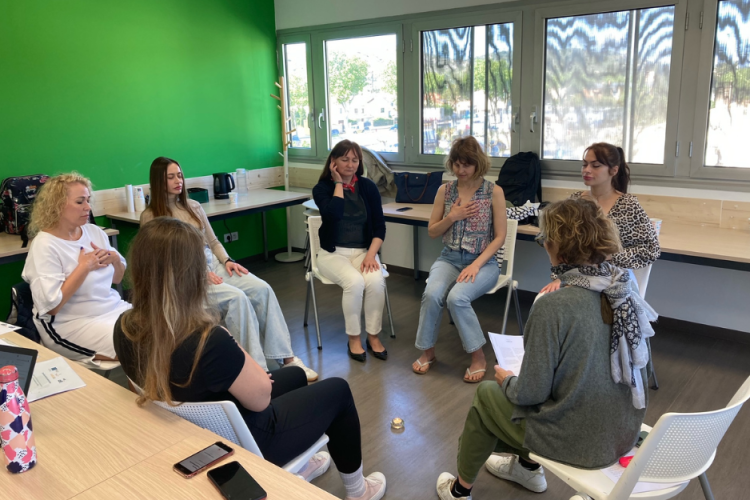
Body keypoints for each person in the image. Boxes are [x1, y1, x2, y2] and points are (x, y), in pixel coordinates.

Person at [114, 217, 386, 500]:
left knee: (295, 374)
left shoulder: (124, 327)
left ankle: (301, 466)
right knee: (338, 391)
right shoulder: (209, 340)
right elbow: (261, 399)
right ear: (191, 275)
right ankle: (359, 491)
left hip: (194, 429)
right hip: (245, 440)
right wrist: (228, 341)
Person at [436, 198, 656, 500]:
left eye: (544, 239)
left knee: (488, 395)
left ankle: (460, 491)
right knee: (539, 392)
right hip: (624, 433)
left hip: (582, 444)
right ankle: (526, 469)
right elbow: (636, 368)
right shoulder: (625, 290)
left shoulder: (553, 305)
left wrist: (507, 381)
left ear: (556, 247)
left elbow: (530, 394)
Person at [142, 157, 317, 381]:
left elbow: (213, 242)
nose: (179, 181)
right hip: (185, 278)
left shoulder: (193, 207)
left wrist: (227, 261)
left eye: (180, 175)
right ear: (158, 181)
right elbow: (159, 262)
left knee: (262, 289)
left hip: (212, 265)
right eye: (171, 177)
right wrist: (197, 274)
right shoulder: (151, 217)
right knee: (237, 299)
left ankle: (287, 359)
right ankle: (259, 372)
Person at [412, 137, 507, 383]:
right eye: (456, 164)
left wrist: (476, 264)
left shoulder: (494, 192)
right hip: (449, 258)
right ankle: (428, 352)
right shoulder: (444, 191)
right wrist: (452, 217)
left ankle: (478, 357)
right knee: (431, 294)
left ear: (478, 163)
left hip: (483, 263)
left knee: (457, 298)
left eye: (466, 165)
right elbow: (432, 232)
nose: (460, 170)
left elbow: (500, 237)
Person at [22, 173, 131, 362]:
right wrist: (84, 267)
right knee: (139, 346)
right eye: (80, 202)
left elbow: (117, 278)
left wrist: (114, 259)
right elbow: (52, 308)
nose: (88, 207)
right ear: (57, 205)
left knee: (165, 330)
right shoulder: (45, 245)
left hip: (112, 309)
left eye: (88, 200)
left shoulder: (94, 232)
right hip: (71, 324)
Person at [540, 142, 660, 294]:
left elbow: (651, 250)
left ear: (614, 170)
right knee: (550, 299)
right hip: (575, 276)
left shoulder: (628, 205)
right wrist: (561, 277)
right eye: (585, 164)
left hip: (614, 280)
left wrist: (606, 256)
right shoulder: (575, 202)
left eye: (595, 166)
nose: (587, 170)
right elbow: (560, 245)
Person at [312, 140, 388, 362]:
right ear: (333, 162)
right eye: (344, 159)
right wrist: (338, 183)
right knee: (354, 283)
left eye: (355, 160)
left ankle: (373, 336)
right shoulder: (322, 189)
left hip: (364, 252)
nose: (350, 164)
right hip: (332, 254)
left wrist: (371, 255)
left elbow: (380, 227)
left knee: (375, 281)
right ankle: (354, 338)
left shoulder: (368, 187)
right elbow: (333, 215)